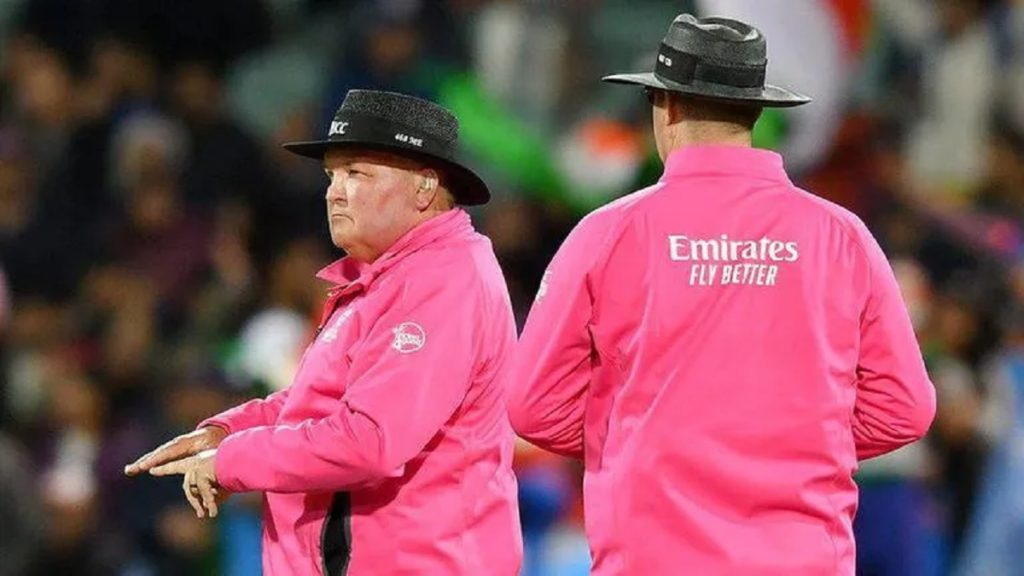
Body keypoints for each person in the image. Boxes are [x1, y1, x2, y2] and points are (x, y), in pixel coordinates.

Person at [508, 14, 936, 575]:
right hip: (802, 558)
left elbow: (534, 406)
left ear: (666, 108)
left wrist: (649, 439)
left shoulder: (609, 233)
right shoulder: (841, 236)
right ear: (754, 111)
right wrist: (792, 446)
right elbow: (904, 407)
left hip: (652, 556)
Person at [125, 89, 522, 575]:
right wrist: (225, 432)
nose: (334, 192)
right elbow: (324, 403)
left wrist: (233, 460)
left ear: (424, 187)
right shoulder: (388, 277)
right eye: (332, 175)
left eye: (356, 173)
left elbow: (369, 439)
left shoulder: (441, 279)